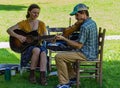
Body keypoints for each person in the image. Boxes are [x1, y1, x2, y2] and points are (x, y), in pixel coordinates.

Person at [55, 3, 98, 88]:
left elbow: (78, 46)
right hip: (91, 52)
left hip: (85, 54)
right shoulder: (92, 22)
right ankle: (73, 78)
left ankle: (64, 84)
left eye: (77, 15)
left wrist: (64, 39)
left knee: (59, 57)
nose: (76, 18)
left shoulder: (84, 26)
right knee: (64, 54)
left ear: (83, 13)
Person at [7, 4, 48, 85]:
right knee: (36, 50)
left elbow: (45, 37)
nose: (36, 15)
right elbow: (9, 30)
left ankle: (42, 76)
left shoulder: (41, 24)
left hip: (38, 45)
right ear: (29, 12)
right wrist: (19, 36)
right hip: (26, 46)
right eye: (34, 12)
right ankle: (32, 75)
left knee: (43, 52)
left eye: (38, 13)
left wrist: (51, 38)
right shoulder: (23, 23)